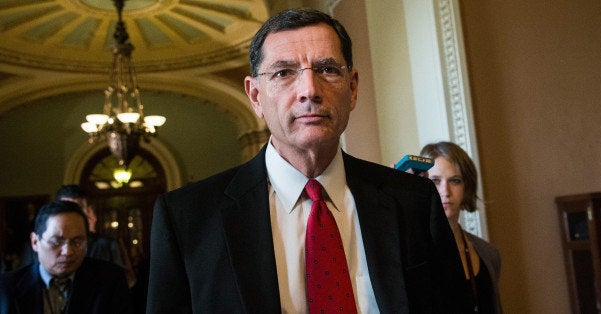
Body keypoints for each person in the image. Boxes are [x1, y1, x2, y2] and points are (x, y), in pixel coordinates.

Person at [147, 8, 470, 313]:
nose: (309, 90)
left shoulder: (413, 202)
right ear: (256, 96)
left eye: (328, 70)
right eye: (284, 72)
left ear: (353, 88)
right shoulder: (188, 219)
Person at [0, 200, 133, 314]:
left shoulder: (110, 281)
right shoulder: (6, 288)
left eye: (77, 242)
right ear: (35, 242)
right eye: (56, 241)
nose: (68, 252)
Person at [420, 141, 503, 314]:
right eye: (435, 181)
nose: (445, 191)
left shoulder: (489, 254)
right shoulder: (413, 253)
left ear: (467, 187)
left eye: (455, 181)